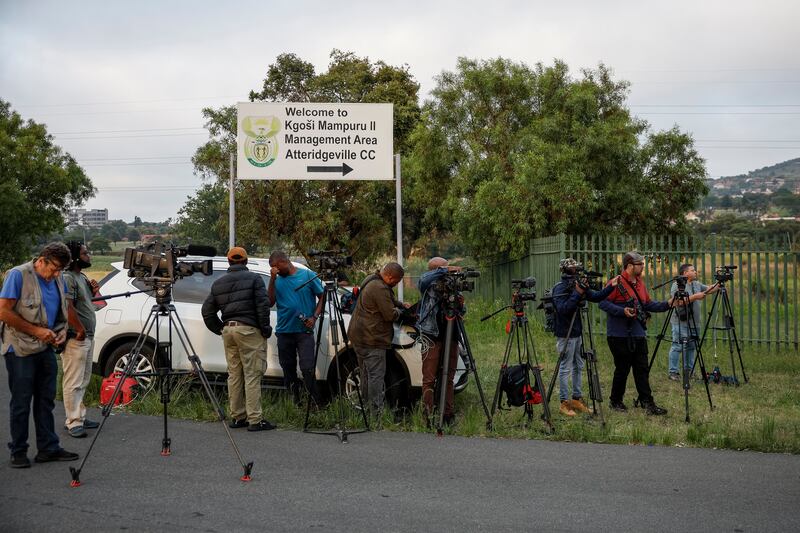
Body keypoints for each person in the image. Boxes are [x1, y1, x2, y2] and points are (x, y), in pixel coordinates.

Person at [0, 242, 79, 468]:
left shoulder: (57, 278)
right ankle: (18, 450)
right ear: (41, 260)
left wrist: (63, 332)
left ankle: (48, 448)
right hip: (20, 348)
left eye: (60, 270)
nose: (55, 274)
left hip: (46, 346)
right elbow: (3, 311)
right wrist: (36, 331)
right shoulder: (18, 275)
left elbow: (61, 312)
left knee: (46, 400)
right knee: (22, 401)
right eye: (53, 268)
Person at [201, 247, 275, 432]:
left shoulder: (219, 283)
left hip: (229, 330)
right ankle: (255, 420)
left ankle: (237, 417)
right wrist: (265, 329)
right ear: (246, 261)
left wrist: (220, 328)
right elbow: (263, 306)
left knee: (234, 375)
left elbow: (207, 311)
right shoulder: (254, 279)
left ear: (229, 262)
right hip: (249, 331)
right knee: (252, 374)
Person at [599, 251, 674, 416]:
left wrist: (668, 304)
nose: (643, 267)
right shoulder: (616, 282)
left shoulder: (640, 283)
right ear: (629, 265)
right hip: (618, 335)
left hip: (638, 333)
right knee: (622, 369)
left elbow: (647, 304)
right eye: (640, 264)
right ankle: (615, 401)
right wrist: (622, 311)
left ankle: (647, 403)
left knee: (642, 369)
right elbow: (602, 303)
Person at [551, 258, 618, 416]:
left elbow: (595, 297)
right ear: (566, 270)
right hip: (565, 333)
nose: (576, 271)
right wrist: (577, 293)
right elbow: (563, 309)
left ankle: (576, 398)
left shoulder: (578, 285)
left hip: (577, 331)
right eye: (573, 268)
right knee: (565, 368)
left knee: (579, 365)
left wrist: (610, 286)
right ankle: (564, 402)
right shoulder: (559, 288)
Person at [347, 262, 407, 414]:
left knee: (365, 374)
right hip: (372, 339)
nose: (396, 283)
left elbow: (386, 299)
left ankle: (366, 409)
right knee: (375, 376)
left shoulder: (371, 279)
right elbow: (389, 314)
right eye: (397, 281)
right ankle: (375, 412)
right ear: (389, 276)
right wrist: (401, 311)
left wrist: (400, 304)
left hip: (359, 337)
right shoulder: (379, 287)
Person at [267, 250, 324, 406]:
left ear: (284, 262)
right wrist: (272, 279)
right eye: (273, 269)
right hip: (284, 331)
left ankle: (314, 404)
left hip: (303, 331)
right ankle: (295, 402)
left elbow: (323, 296)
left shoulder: (307, 275)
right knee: (288, 368)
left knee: (307, 368)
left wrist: (314, 317)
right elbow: (270, 302)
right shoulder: (277, 280)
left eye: (276, 267)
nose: (275, 270)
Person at [61, 241, 103, 438]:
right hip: (76, 337)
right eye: (85, 253)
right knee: (73, 381)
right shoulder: (67, 277)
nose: (89, 256)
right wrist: (78, 329)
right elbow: (67, 307)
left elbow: (96, 304)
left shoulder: (82, 276)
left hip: (87, 335)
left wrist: (94, 291)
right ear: (75, 257)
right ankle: (73, 421)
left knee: (84, 379)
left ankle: (80, 416)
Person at [417, 257, 461, 426]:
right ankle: (428, 416)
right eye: (444, 268)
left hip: (452, 334)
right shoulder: (427, 283)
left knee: (448, 377)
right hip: (432, 335)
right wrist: (443, 271)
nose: (449, 272)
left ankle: (448, 415)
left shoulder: (452, 284)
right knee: (429, 378)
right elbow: (423, 279)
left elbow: (461, 308)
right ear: (435, 270)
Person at [667, 264, 718, 381]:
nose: (696, 272)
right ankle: (673, 372)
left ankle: (690, 371)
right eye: (693, 270)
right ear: (685, 273)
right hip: (680, 322)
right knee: (678, 346)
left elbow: (709, 289)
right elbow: (678, 302)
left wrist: (719, 283)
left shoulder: (696, 284)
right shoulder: (677, 285)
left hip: (694, 322)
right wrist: (695, 297)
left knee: (691, 347)